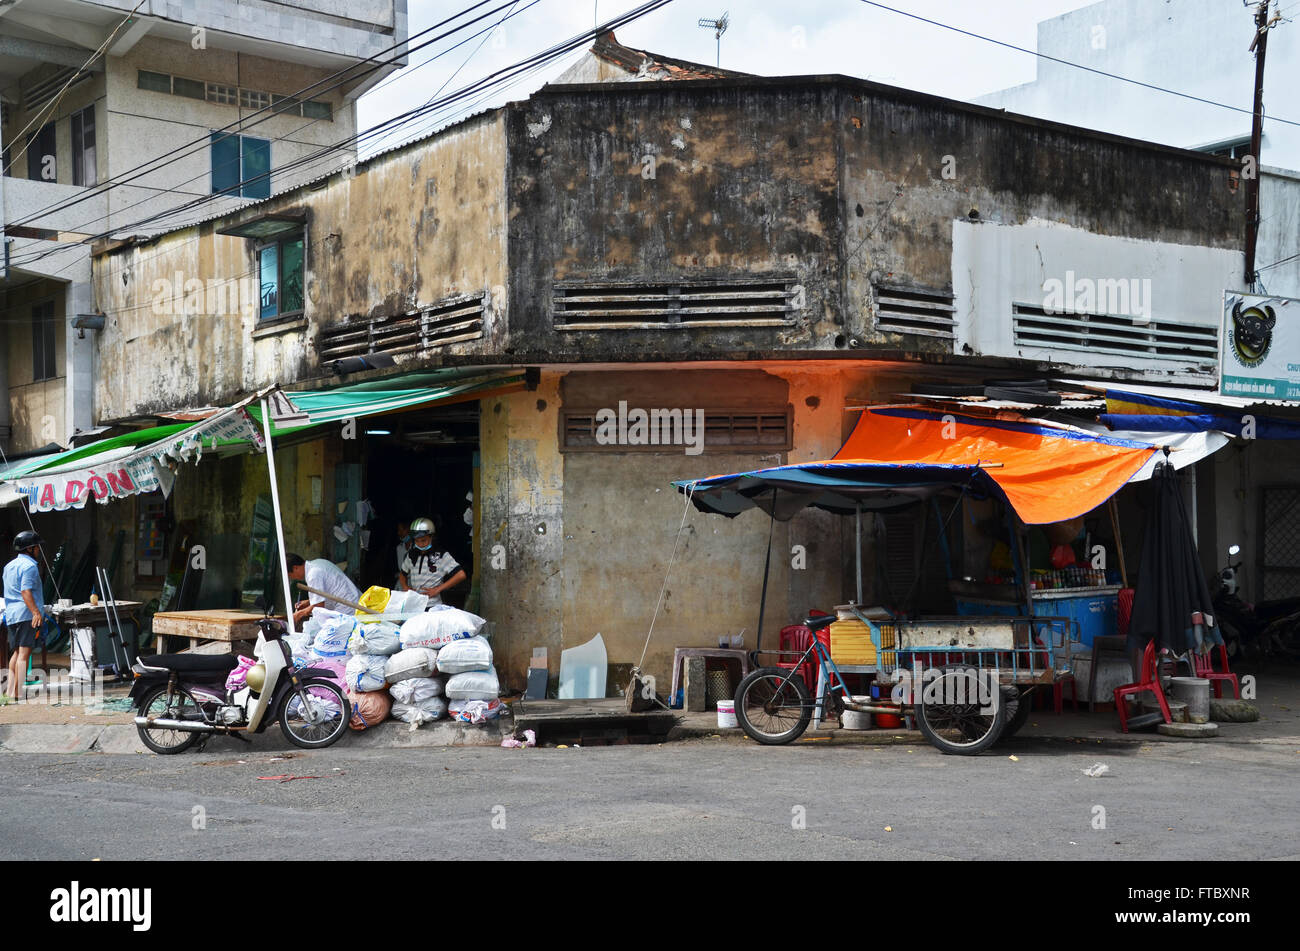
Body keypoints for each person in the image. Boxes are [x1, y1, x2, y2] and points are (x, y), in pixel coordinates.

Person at [3, 532, 45, 703]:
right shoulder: (30, 567)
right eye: (37, 547)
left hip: (12, 614)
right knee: (24, 654)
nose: (39, 550)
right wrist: (36, 612)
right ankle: (18, 692)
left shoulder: (9, 566)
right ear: (30, 548)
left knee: (16, 653)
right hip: (26, 614)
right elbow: (25, 591)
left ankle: (10, 692)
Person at [398, 517, 466, 607]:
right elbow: (402, 575)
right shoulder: (411, 555)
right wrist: (405, 587)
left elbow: (461, 575)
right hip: (415, 605)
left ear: (432, 537)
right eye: (417, 541)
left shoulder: (441, 555)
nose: (420, 544)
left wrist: (437, 590)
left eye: (423, 540)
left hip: (433, 606)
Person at [287, 553, 360, 626]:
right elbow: (326, 592)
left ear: (295, 568)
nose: (293, 578)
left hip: (348, 607)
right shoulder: (317, 563)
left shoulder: (313, 575)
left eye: (290, 575)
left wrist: (299, 614)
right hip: (351, 600)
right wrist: (308, 602)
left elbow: (319, 606)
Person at [393, 521, 411, 588]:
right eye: (398, 530)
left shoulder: (417, 549)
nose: (399, 533)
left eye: (402, 530)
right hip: (402, 583)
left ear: (409, 530)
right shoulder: (399, 548)